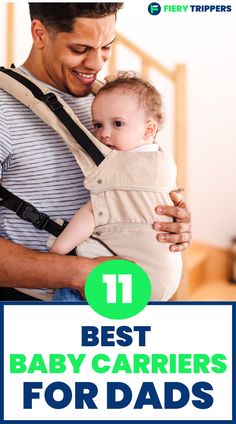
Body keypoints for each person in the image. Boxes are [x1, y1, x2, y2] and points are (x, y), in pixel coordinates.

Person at [0, 3, 191, 301]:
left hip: (116, 299)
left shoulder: (109, 103)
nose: (95, 63)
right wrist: (81, 272)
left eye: (106, 47)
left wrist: (166, 222)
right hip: (36, 306)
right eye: (80, 48)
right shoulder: (3, 109)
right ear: (39, 34)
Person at [50, 71, 183, 301]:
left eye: (117, 124)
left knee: (67, 289)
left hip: (130, 275)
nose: (104, 134)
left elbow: (93, 211)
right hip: (163, 276)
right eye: (98, 125)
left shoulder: (122, 166)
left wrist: (58, 251)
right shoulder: (163, 161)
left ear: (148, 130)